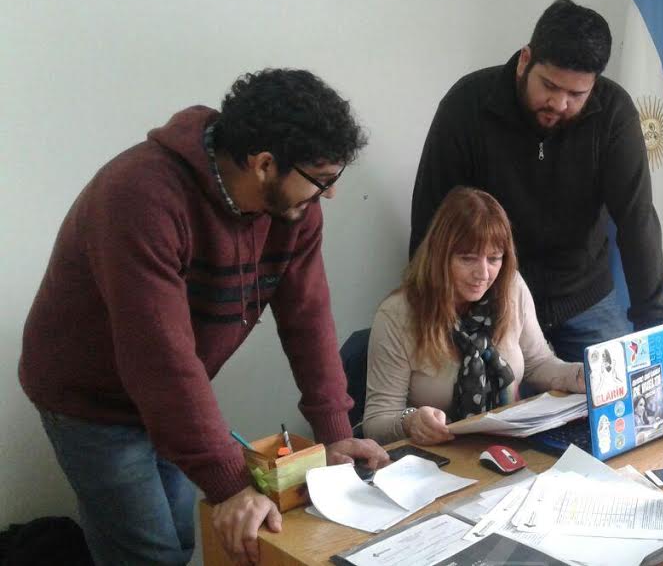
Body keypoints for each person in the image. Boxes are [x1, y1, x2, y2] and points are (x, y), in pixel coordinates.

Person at [19, 69, 390, 566]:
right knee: (149, 554)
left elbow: (309, 318)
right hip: (91, 399)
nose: (330, 194)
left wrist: (335, 431)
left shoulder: (292, 210)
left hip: (166, 392)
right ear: (264, 164)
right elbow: (160, 358)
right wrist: (231, 484)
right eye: (322, 180)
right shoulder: (141, 196)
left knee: (179, 537)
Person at [409, 0, 663, 363]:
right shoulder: (467, 106)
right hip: (490, 298)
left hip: (584, 297)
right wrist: (429, 310)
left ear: (594, 85)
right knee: (490, 399)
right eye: (549, 85)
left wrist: (656, 329)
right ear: (525, 60)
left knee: (612, 396)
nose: (559, 104)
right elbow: (432, 220)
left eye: (576, 94)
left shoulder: (614, 114)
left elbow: (636, 219)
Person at [364, 187, 586, 445]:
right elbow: (376, 421)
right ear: (439, 256)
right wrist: (410, 421)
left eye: (494, 259)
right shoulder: (397, 315)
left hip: (510, 445)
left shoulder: (511, 288)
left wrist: (577, 375)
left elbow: (537, 363)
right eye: (468, 259)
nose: (483, 273)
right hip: (439, 455)